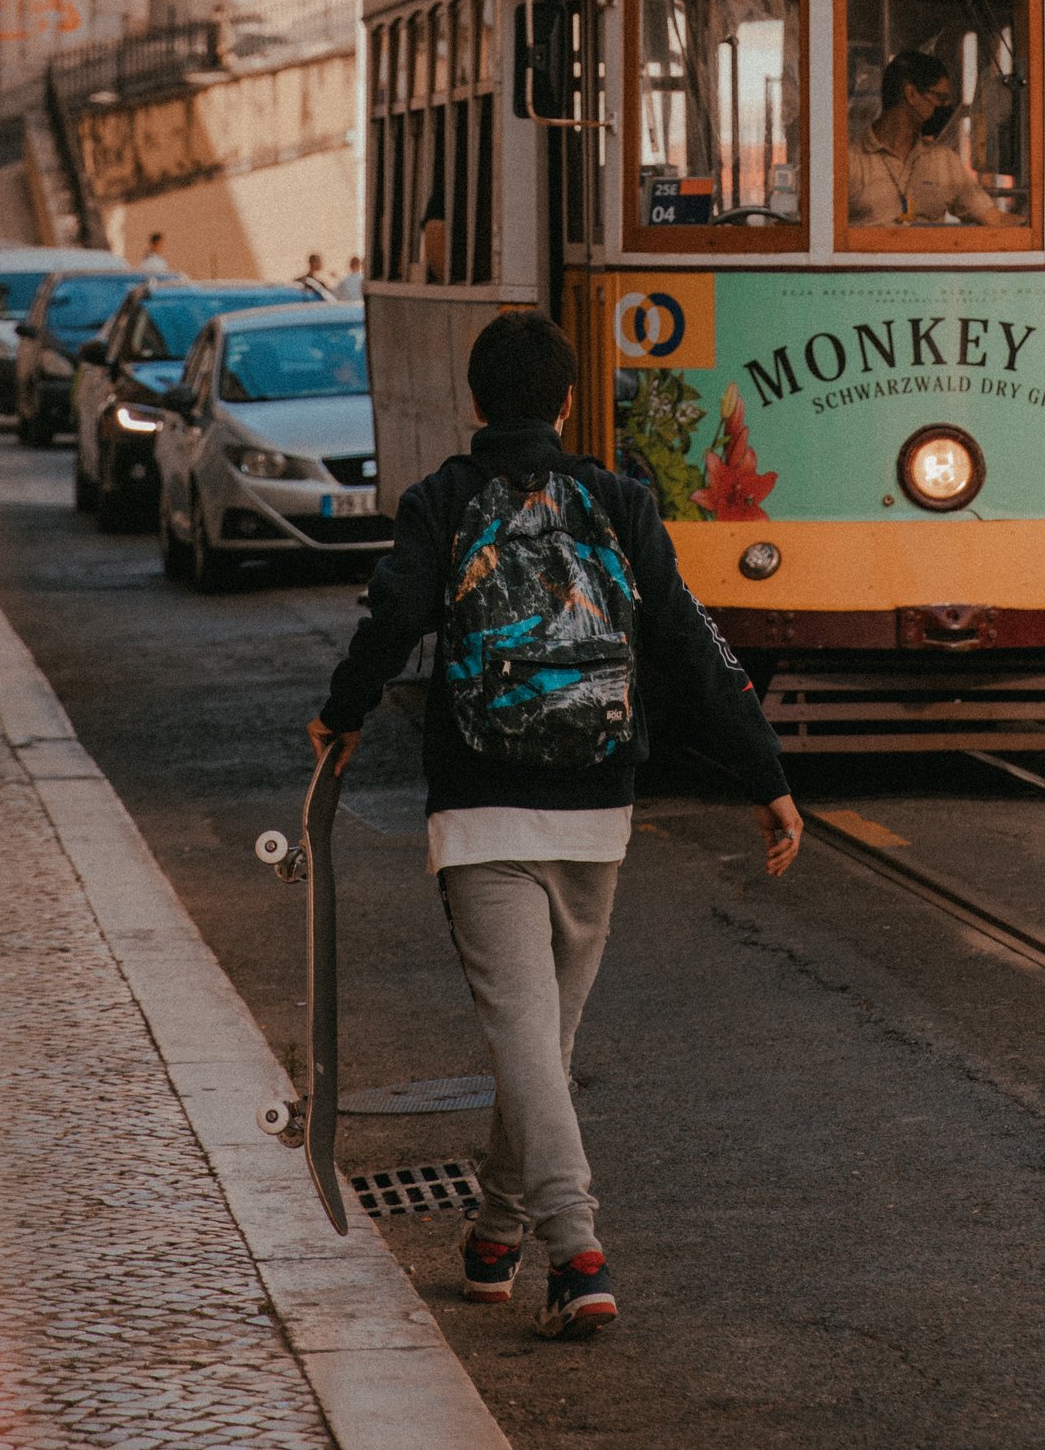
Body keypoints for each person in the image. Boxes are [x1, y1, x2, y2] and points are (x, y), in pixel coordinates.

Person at [310, 309, 800, 1341]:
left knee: (532, 1039)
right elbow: (689, 637)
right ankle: (495, 1236)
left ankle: (570, 1246)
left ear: (475, 402)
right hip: (595, 810)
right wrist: (766, 773)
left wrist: (341, 714)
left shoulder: (441, 499)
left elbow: (389, 619)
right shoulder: (617, 498)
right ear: (569, 400)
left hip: (480, 807)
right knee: (541, 1039)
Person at [845, 49, 1003, 228]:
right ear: (911, 94)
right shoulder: (849, 158)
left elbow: (993, 219)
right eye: (940, 98)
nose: (945, 108)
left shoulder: (943, 161)